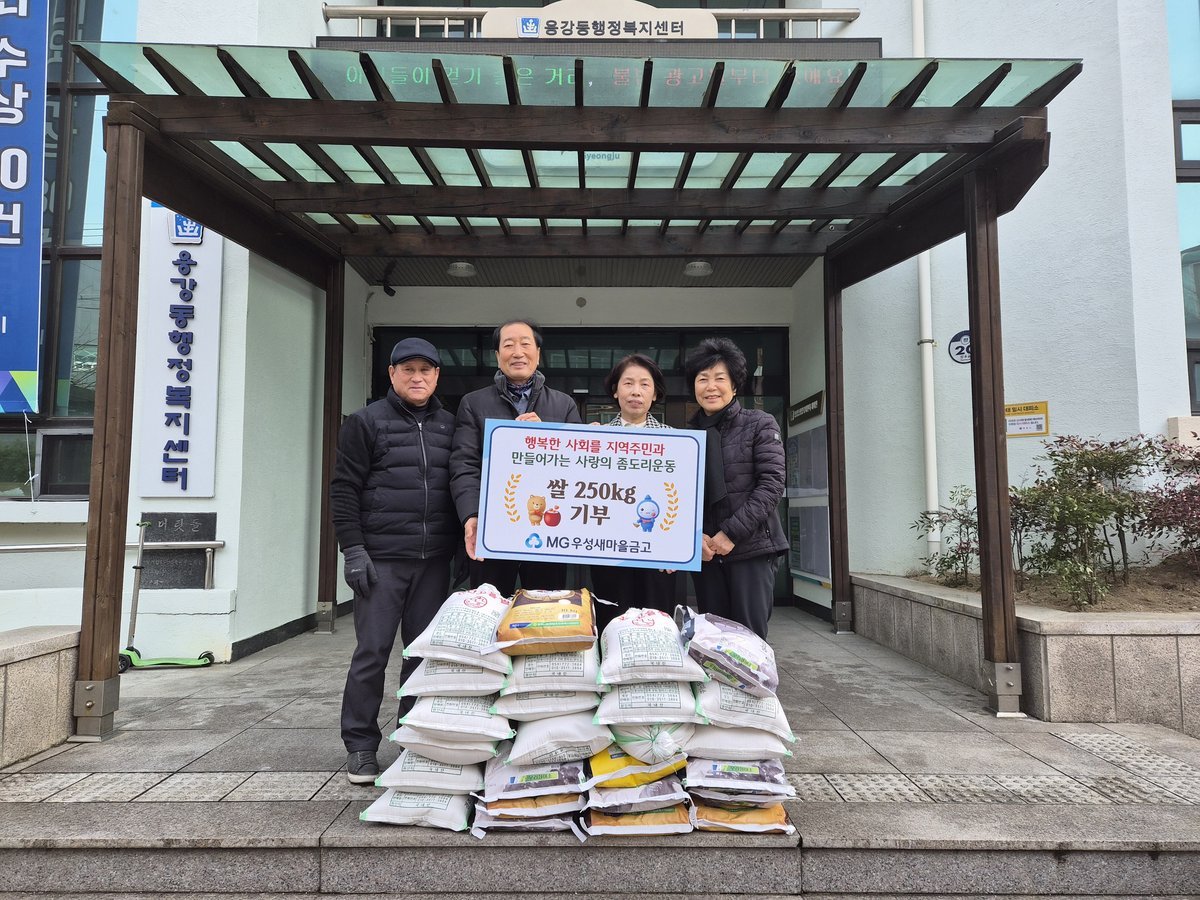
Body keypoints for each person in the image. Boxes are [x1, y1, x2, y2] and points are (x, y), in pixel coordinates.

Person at [330, 337, 458, 783]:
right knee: (372, 653)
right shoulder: (366, 422)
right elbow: (344, 489)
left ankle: (411, 738)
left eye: (425, 370)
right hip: (381, 559)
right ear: (391, 374)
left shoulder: (450, 425)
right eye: (408, 370)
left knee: (420, 656)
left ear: (437, 376)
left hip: (435, 561)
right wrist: (353, 550)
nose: (417, 377)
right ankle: (361, 746)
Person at [450, 319, 582, 595]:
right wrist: (471, 515)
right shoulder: (473, 403)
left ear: (538, 354)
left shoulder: (564, 405)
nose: (518, 352)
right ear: (498, 355)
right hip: (493, 527)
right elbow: (464, 464)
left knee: (543, 607)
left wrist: (546, 439)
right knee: (489, 605)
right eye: (509, 345)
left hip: (548, 528)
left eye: (525, 344)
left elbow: (578, 466)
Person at [684, 337, 787, 638]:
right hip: (706, 555)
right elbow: (678, 497)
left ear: (734, 384)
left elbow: (772, 484)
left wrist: (730, 534)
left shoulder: (759, 424)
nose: (710, 387)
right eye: (703, 379)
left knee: (749, 640)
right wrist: (694, 539)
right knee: (713, 640)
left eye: (719, 378)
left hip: (750, 550)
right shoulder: (686, 436)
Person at [588, 353, 677, 633]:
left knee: (656, 625)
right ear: (615, 390)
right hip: (608, 553)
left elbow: (683, 501)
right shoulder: (595, 439)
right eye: (628, 383)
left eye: (644, 384)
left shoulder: (676, 441)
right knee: (612, 624)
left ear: (655, 393)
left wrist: (677, 549)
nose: (636, 391)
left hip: (658, 555)